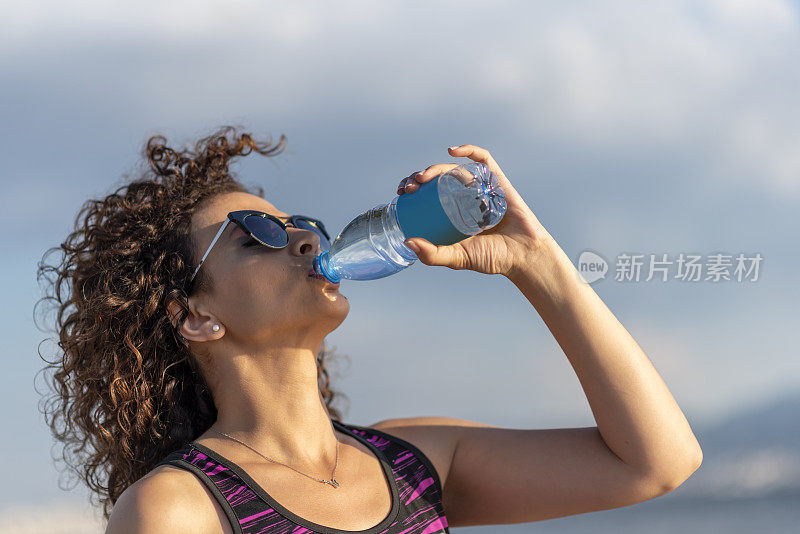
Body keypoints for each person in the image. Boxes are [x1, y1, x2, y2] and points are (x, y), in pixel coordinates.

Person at [37, 126, 702, 534]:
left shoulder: (415, 462)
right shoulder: (179, 511)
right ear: (194, 315)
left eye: (300, 222)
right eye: (258, 235)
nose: (300, 236)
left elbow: (656, 463)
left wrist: (535, 263)